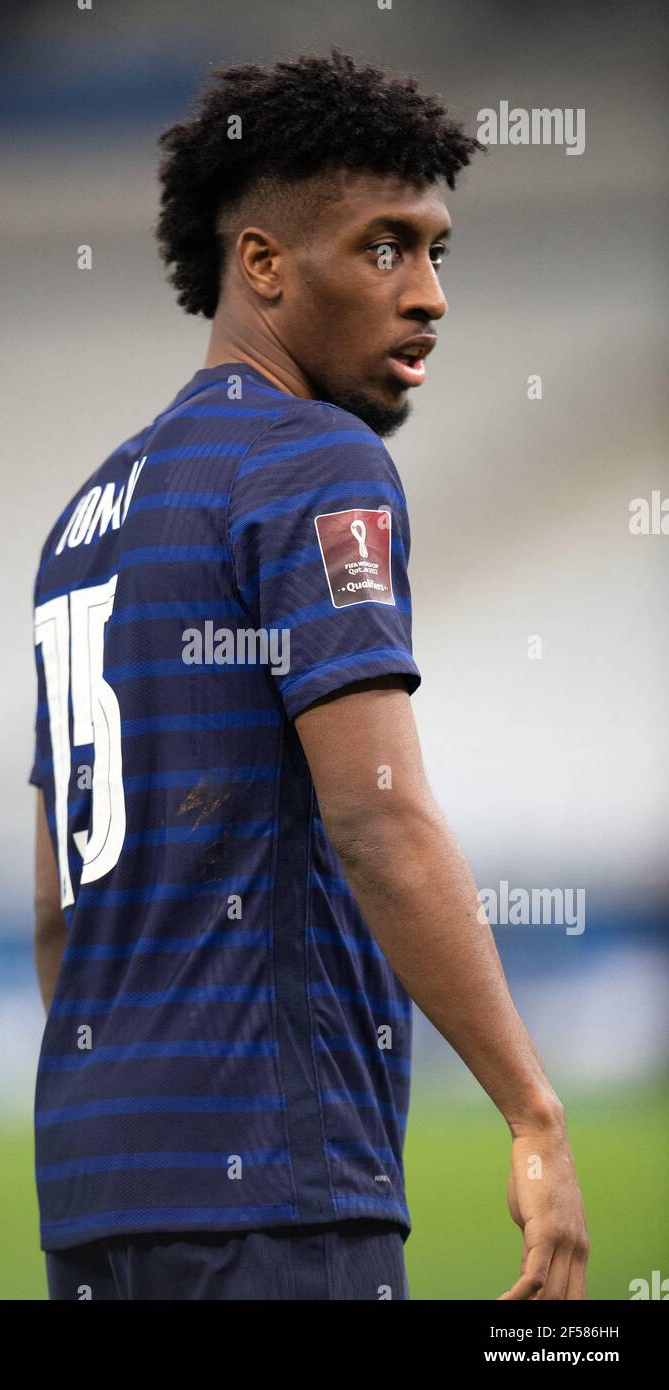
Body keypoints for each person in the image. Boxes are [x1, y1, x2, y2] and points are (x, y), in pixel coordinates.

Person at [29, 48, 589, 1301]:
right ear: (264, 265)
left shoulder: (82, 518)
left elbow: (56, 912)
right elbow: (376, 815)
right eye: (386, 247)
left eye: (438, 250)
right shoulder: (311, 459)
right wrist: (531, 1113)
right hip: (272, 1188)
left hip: (90, 1190)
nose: (430, 292)